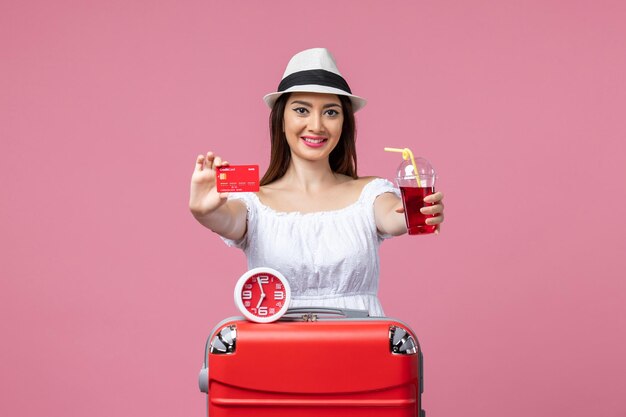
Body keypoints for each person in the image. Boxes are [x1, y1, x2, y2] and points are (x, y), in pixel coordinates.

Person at [189, 48, 444, 316]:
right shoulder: (255, 202)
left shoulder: (370, 193)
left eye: (331, 113)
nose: (317, 125)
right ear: (281, 120)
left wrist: (417, 212)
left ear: (344, 123)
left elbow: (393, 216)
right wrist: (205, 211)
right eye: (301, 110)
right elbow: (227, 220)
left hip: (360, 351)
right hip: (278, 352)